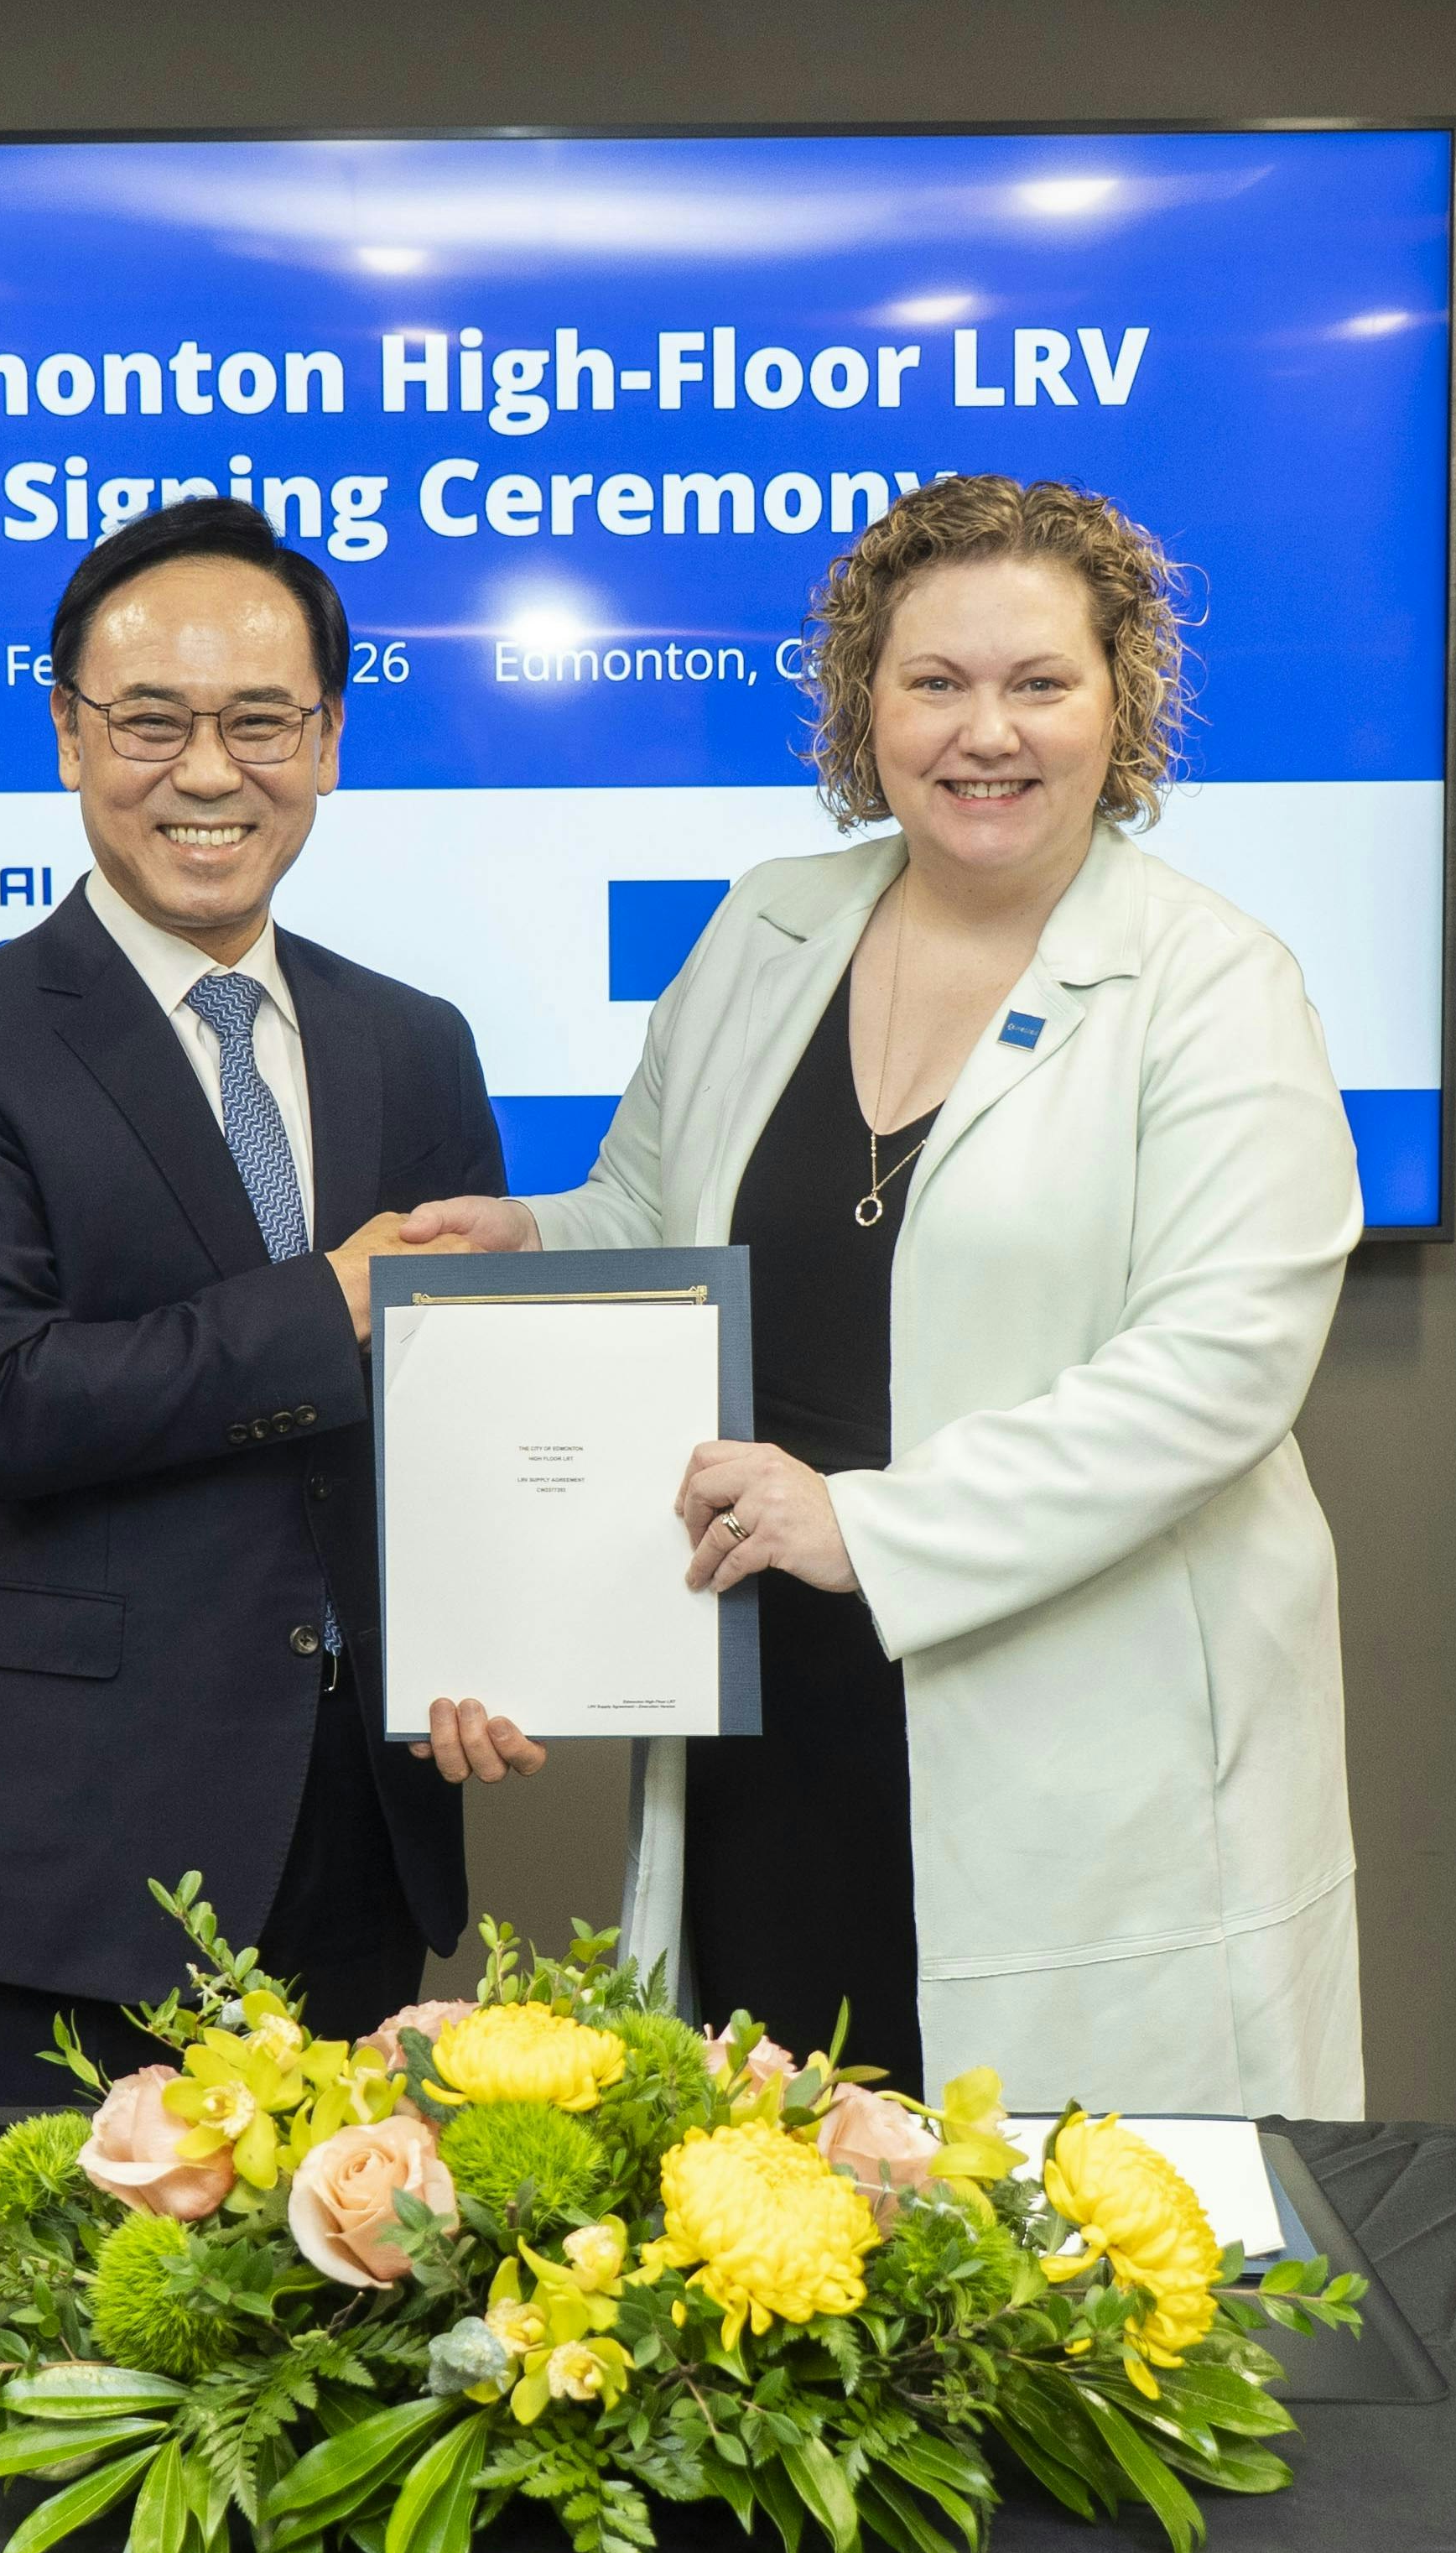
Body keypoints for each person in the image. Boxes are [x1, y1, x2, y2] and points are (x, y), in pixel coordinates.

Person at [399, 477, 1368, 2116]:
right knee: (782, 2228)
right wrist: (530, 1246)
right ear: (865, 702)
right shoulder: (775, 922)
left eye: (1040, 682)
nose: (986, 731)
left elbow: (1219, 1365)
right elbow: (656, 1201)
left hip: (1078, 1749)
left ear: (1119, 697)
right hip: (778, 1715)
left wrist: (873, 1523)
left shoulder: (1214, 981)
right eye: (935, 682)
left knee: (1056, 2285)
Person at [0, 498, 538, 2108]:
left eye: (261, 722)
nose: (210, 772)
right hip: (77, 1842)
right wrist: (337, 1303)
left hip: (361, 1820)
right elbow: (2, 1405)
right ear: (71, 735)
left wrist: (513, 1634)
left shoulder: (415, 1040)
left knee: (355, 2322)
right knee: (70, 2336)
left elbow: (471, 1415)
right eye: (151, 721)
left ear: (331, 741)